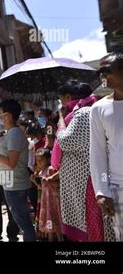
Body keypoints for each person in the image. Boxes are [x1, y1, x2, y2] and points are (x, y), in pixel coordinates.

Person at [56, 79, 115, 242]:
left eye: (61, 100)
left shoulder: (82, 113)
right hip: (89, 178)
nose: (61, 105)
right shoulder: (89, 110)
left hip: (87, 181)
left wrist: (60, 120)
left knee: (94, 226)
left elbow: (66, 141)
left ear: (68, 97)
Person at [0, 99, 36, 242]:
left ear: (8, 115)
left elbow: (11, 164)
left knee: (23, 223)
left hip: (14, 184)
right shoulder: (13, 133)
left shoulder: (13, 134)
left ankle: (16, 236)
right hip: (9, 182)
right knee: (22, 221)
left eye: (0, 114)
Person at [90, 53, 123, 241]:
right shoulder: (99, 109)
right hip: (118, 188)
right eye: (100, 72)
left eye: (107, 70)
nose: (103, 76)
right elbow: (98, 153)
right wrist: (101, 191)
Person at [30, 148, 63, 242]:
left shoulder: (50, 170)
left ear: (48, 160)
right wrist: (34, 182)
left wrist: (49, 180)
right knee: (49, 222)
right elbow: (41, 187)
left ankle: (60, 239)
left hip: (54, 201)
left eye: (41, 160)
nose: (39, 162)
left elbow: (58, 184)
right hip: (46, 202)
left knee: (56, 221)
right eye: (37, 160)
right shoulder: (40, 172)